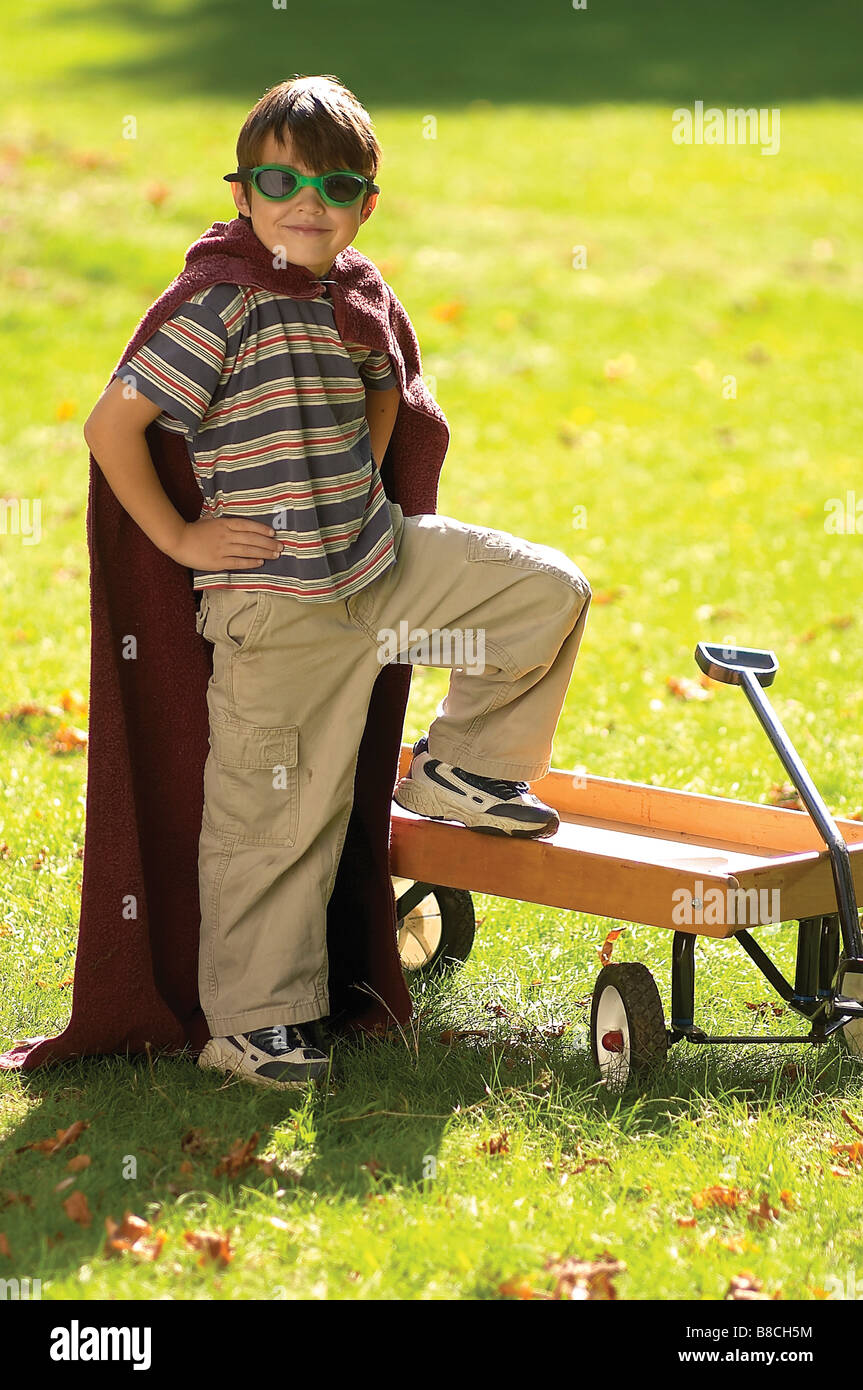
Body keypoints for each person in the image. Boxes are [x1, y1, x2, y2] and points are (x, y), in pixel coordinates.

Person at [82, 74, 591, 1091]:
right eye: (279, 179)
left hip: (378, 566)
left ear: (365, 202)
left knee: (546, 590)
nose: (305, 201)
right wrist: (183, 538)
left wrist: (354, 487)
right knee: (276, 813)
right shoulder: (216, 300)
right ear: (242, 192)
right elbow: (112, 427)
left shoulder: (358, 296)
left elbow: (385, 395)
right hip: (278, 608)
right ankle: (253, 1022)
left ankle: (465, 767)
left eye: (334, 182)